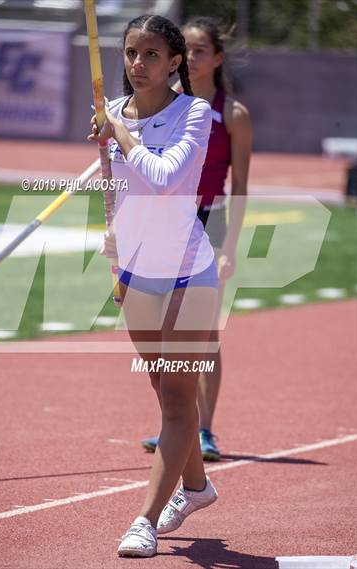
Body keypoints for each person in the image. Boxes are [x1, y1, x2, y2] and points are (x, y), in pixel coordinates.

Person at [89, 14, 220, 558]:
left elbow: (166, 179)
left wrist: (119, 133)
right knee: (163, 390)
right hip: (135, 271)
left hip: (189, 272)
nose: (136, 64)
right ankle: (196, 488)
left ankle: (143, 520)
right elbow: (118, 187)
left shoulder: (196, 113)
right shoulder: (115, 112)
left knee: (175, 400)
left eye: (149, 54)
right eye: (129, 53)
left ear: (174, 64)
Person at [141, 16, 252, 461]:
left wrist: (230, 246)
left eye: (200, 49)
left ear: (217, 58)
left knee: (204, 335)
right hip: (167, 223)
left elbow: (240, 184)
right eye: (184, 49)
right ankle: (176, 422)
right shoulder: (168, 106)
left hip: (211, 219)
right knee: (166, 332)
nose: (191, 57)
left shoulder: (233, 114)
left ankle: (204, 430)